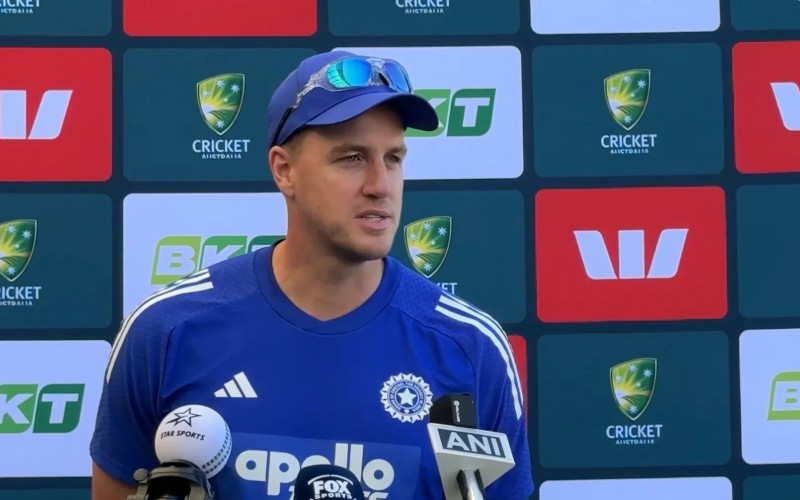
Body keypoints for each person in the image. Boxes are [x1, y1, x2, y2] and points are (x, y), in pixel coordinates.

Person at [90, 50, 535, 499]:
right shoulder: (166, 330)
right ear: (284, 170)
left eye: (393, 158)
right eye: (352, 158)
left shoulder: (469, 347)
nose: (380, 185)